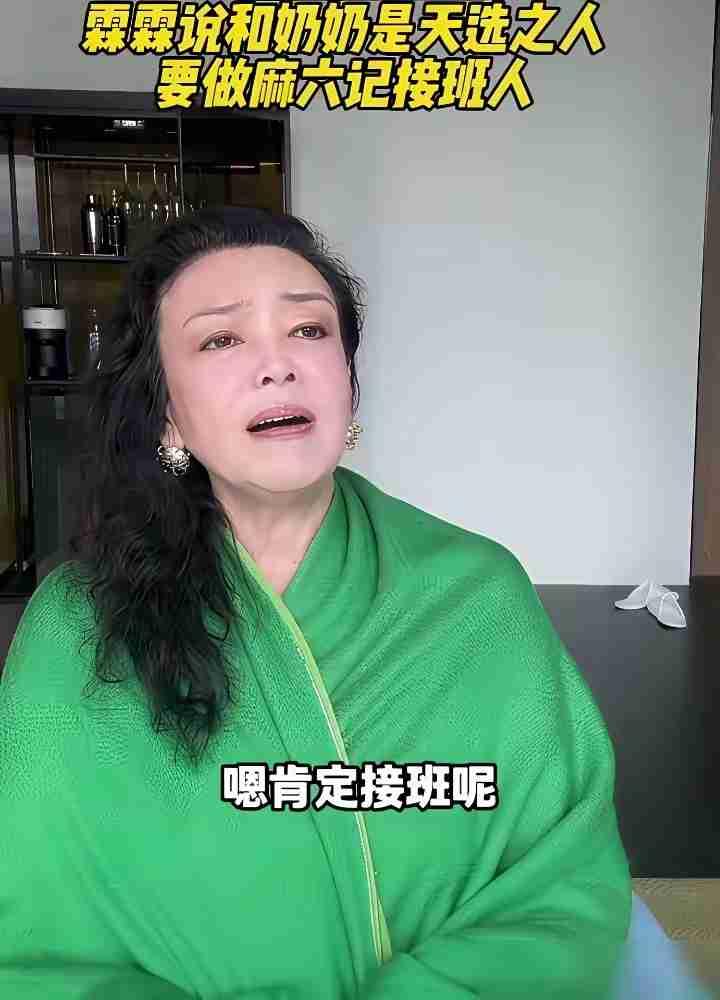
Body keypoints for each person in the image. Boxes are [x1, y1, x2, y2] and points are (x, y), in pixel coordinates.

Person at [0, 207, 632, 999]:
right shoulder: (78, 623)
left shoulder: (477, 591)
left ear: (347, 381)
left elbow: (562, 885)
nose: (279, 366)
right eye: (220, 339)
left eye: (308, 330)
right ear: (167, 413)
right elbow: (37, 941)